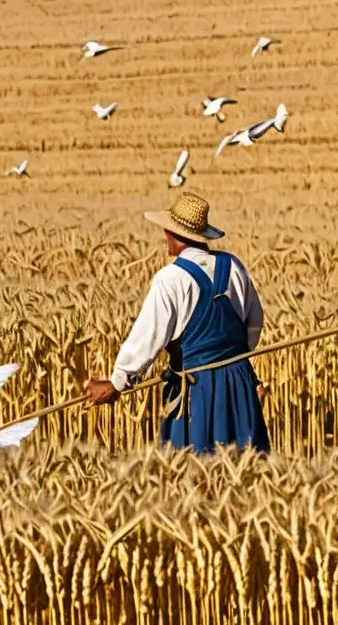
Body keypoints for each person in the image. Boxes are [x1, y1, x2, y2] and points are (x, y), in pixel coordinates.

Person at [85, 193, 270, 453]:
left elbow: (147, 338)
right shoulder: (234, 266)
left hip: (198, 390)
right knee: (249, 471)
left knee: (193, 475)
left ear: (171, 234)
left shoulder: (170, 278)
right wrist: (231, 359)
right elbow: (254, 325)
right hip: (241, 383)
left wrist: (116, 383)